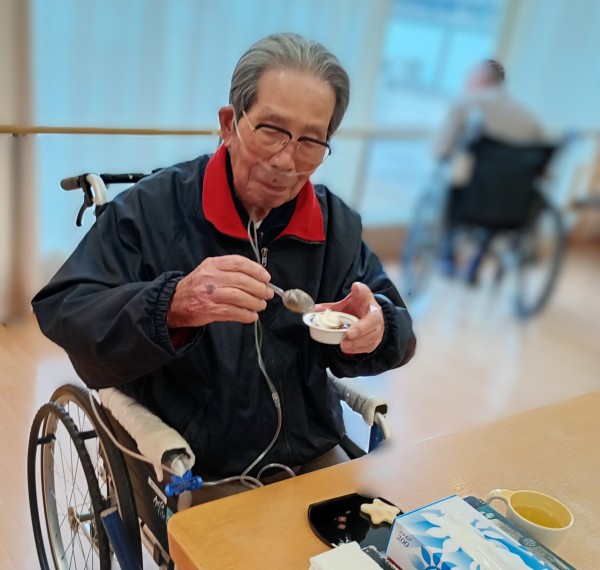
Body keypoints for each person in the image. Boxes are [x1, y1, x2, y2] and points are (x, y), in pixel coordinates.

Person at [32, 33, 416, 499]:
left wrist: (377, 328)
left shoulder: (334, 225)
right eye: (271, 130)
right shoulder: (151, 211)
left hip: (310, 450)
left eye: (310, 141)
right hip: (196, 465)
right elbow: (65, 308)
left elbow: (395, 324)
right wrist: (171, 306)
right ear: (230, 124)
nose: (286, 161)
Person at [434, 59, 543, 283]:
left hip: (470, 198)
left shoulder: (466, 104)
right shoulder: (528, 118)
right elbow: (541, 165)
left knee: (456, 180)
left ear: (480, 80)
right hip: (511, 205)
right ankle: (477, 259)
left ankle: (448, 253)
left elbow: (441, 149)